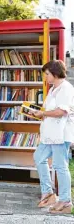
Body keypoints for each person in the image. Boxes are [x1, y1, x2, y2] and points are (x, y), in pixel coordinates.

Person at [32, 60, 74, 214]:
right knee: (38, 157)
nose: (45, 77)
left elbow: (62, 112)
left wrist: (43, 113)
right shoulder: (52, 90)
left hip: (61, 134)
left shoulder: (66, 89)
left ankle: (65, 201)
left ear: (55, 73)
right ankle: (48, 193)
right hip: (49, 134)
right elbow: (50, 110)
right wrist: (39, 113)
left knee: (60, 166)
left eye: (47, 74)